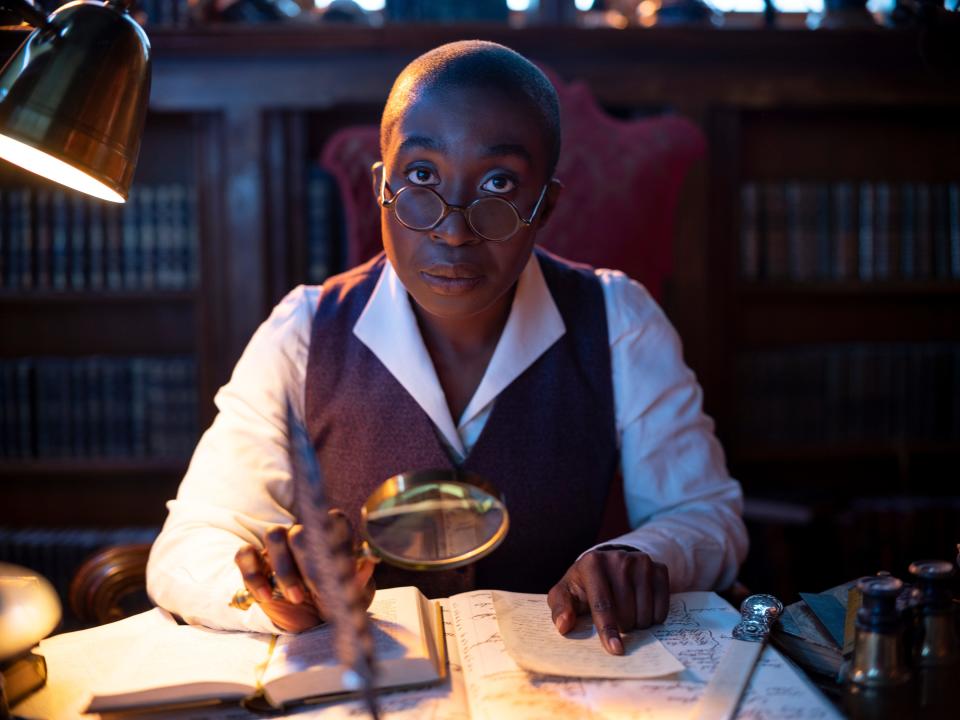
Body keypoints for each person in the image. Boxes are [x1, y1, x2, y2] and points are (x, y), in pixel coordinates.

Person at [146, 40, 748, 656]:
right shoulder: (303, 330)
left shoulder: (618, 320)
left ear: (546, 206)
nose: (454, 230)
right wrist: (267, 594)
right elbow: (190, 542)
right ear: (382, 184)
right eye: (423, 175)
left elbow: (707, 514)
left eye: (498, 183)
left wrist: (638, 556)